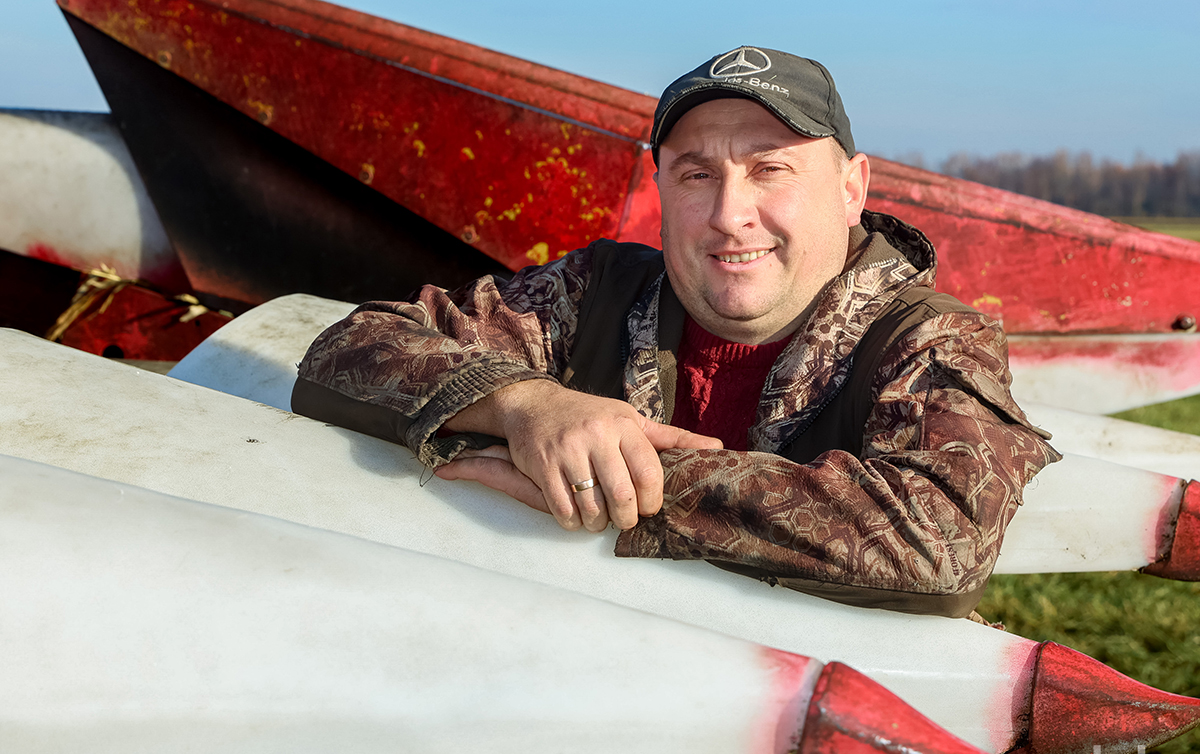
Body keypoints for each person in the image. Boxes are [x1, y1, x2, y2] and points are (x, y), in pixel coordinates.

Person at [292, 46, 1059, 617]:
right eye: (697, 174)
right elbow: (348, 350)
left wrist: (617, 476)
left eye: (770, 169)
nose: (729, 215)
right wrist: (527, 407)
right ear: (660, 185)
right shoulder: (595, 290)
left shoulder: (930, 340)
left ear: (852, 187)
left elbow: (941, 541)